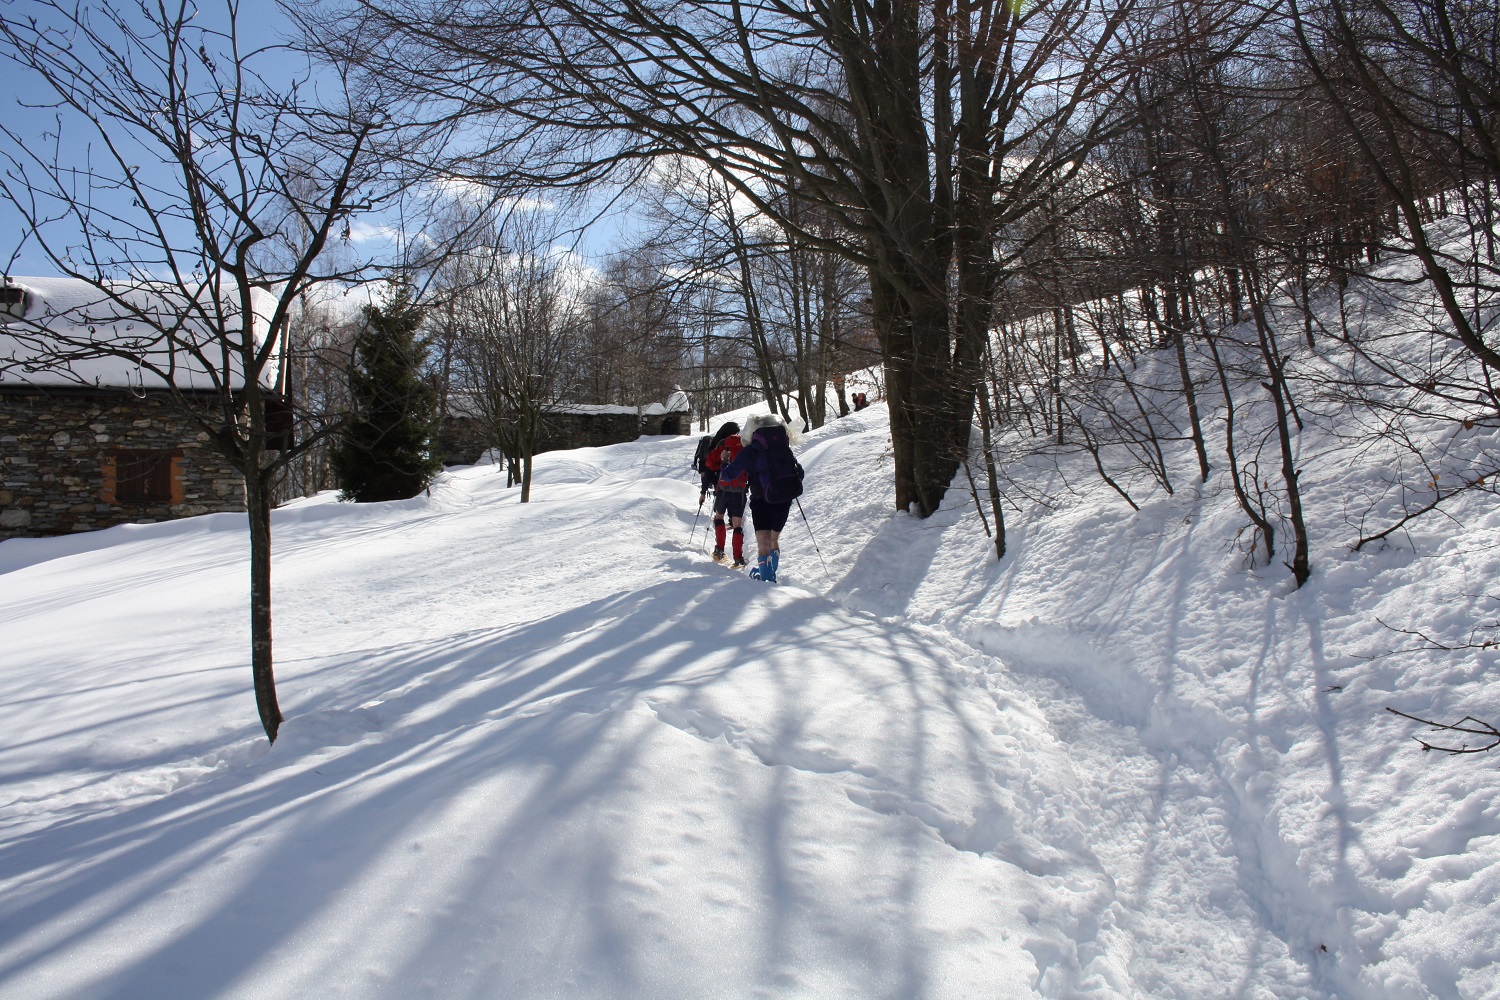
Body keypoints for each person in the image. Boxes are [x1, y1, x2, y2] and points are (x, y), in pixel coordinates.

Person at [721, 413, 803, 582]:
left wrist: (724, 461)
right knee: (774, 539)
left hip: (761, 501)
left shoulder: (750, 451)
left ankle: (767, 580)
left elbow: (728, 475)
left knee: (763, 543)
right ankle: (771, 575)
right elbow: (799, 473)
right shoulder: (782, 447)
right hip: (783, 500)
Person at [703, 421, 748, 568]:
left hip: (722, 489)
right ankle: (738, 558)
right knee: (737, 523)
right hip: (739, 491)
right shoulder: (744, 443)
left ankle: (719, 550)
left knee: (719, 517)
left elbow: (709, 463)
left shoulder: (723, 444)